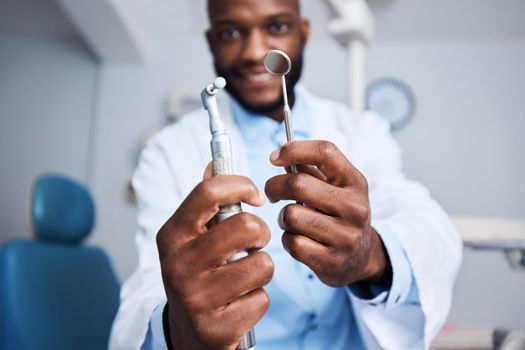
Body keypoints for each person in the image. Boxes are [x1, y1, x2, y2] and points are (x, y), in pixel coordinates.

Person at [110, 0, 462, 349]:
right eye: (231, 32)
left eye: (276, 26)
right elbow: (147, 289)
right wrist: (178, 328)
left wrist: (369, 256)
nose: (254, 51)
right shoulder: (169, 151)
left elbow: (428, 228)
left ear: (303, 32)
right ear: (211, 41)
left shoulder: (363, 132)